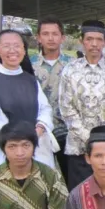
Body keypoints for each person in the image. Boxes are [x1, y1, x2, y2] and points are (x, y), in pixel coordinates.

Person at [0, 30, 55, 181]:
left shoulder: (30, 80)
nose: (12, 50)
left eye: (17, 46)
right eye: (6, 46)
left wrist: (39, 128)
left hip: (35, 147)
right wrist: (17, 141)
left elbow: (45, 108)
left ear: (24, 50)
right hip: (3, 151)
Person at [59, 20, 105, 191]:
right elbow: (66, 106)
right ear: (82, 41)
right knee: (80, 195)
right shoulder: (70, 70)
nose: (94, 44)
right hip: (78, 148)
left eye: (98, 39)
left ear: (104, 42)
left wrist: (102, 138)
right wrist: (88, 138)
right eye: (89, 39)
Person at [31, 16, 73, 183]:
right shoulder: (28, 65)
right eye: (45, 34)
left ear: (62, 37)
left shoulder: (73, 64)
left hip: (67, 132)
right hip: (40, 131)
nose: (50, 38)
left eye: (55, 34)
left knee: (73, 180)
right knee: (42, 180)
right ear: (38, 37)